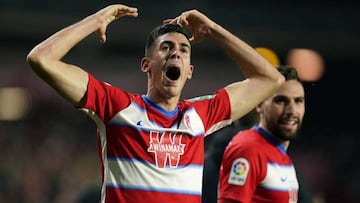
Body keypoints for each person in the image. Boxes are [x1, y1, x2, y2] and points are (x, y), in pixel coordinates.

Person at [26, 4, 284, 203]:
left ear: (189, 70)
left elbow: (270, 78)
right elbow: (40, 59)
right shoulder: (117, 107)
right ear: (146, 65)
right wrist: (95, 21)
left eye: (184, 49)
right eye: (166, 47)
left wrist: (212, 30)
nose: (176, 53)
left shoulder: (200, 115)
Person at [218, 66, 306, 203]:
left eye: (298, 101)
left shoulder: (281, 156)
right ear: (259, 105)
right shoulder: (248, 149)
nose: (292, 110)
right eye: (281, 100)